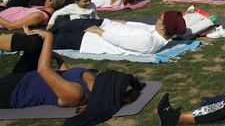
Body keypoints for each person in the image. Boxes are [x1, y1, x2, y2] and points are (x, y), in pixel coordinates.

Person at [0, 27, 143, 119]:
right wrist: (58, 58)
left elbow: (43, 70)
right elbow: (66, 75)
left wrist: (49, 37)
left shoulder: (76, 95)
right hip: (25, 76)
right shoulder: (91, 79)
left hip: (13, 91)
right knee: (34, 42)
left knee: (41, 40)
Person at [50, 10, 186, 55]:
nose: (156, 19)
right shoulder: (157, 32)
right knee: (68, 25)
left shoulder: (150, 42)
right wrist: (124, 22)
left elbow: (119, 40)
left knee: (54, 40)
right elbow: (143, 26)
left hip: (90, 39)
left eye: (159, 18)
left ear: (163, 27)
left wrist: (98, 31)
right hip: (106, 24)